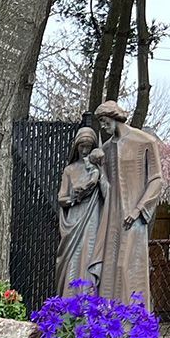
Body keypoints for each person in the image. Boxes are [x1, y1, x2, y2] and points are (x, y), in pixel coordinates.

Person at [91, 100, 168, 308]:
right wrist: (99, 169)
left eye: (104, 121)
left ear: (115, 117)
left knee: (128, 267)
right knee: (109, 268)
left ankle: (134, 325)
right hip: (111, 217)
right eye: (100, 122)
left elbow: (157, 180)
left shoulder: (144, 141)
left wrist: (138, 210)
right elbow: (106, 187)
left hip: (134, 218)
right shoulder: (106, 148)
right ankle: (108, 322)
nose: (103, 126)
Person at [56, 126, 106, 297]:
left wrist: (98, 175)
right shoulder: (69, 170)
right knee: (72, 259)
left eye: (88, 146)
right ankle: (70, 300)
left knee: (89, 254)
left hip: (93, 216)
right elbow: (61, 198)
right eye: (81, 146)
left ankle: (89, 301)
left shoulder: (97, 170)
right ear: (76, 147)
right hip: (75, 217)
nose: (84, 151)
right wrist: (73, 198)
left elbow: (107, 193)